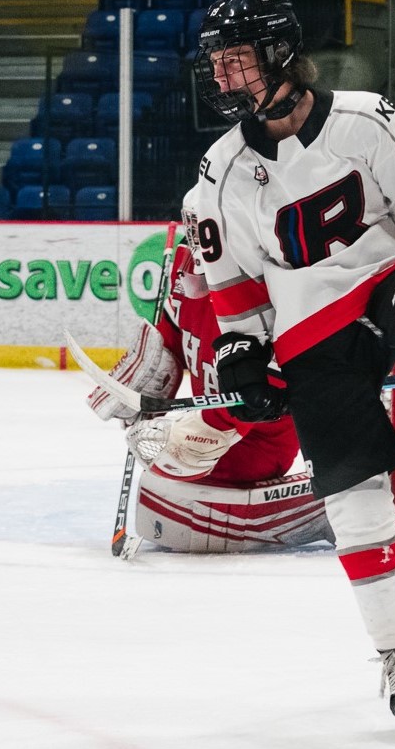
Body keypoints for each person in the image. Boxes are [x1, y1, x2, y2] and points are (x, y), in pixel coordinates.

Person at [188, 0, 395, 738]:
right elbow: (233, 287)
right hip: (305, 329)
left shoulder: (370, 121)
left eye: (236, 60)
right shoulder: (219, 172)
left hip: (381, 282)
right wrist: (242, 355)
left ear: (279, 55)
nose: (222, 76)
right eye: (217, 63)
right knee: (352, 503)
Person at [87, 189, 334, 553]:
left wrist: (201, 433)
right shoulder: (185, 266)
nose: (195, 238)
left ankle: (327, 507)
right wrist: (151, 380)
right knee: (161, 484)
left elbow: (264, 386)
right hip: (212, 417)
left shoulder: (265, 283)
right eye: (191, 226)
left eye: (202, 226)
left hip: (259, 435)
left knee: (171, 492)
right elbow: (173, 336)